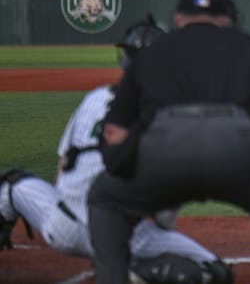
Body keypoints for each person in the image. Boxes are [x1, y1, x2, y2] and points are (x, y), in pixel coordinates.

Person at [87, 0, 250, 284]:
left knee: (105, 199)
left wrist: (122, 162)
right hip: (238, 149)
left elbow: (114, 129)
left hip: (162, 152)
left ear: (179, 19)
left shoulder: (153, 51)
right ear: (224, 19)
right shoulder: (248, 46)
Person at [0, 16, 232, 284]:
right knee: (214, 272)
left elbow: (63, 167)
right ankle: (132, 271)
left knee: (12, 185)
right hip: (124, 237)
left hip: (62, 227)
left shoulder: (94, 98)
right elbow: (167, 206)